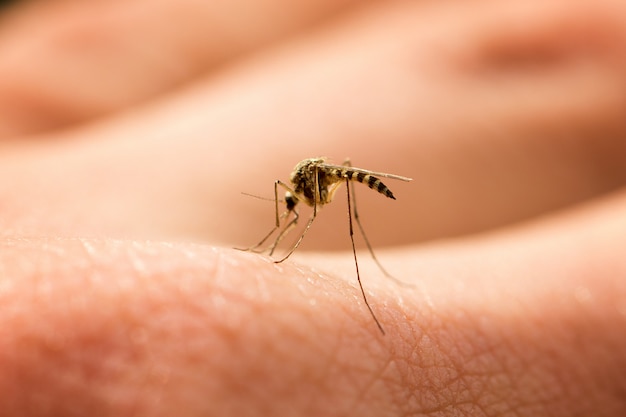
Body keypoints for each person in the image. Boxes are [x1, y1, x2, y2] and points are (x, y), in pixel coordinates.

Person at [0, 0, 625, 415]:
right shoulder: (297, 186)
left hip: (342, 171)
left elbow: (323, 186)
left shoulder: (316, 183)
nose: (295, 205)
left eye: (297, 204)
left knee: (346, 201)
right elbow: (296, 193)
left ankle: (361, 262)